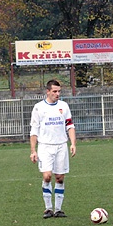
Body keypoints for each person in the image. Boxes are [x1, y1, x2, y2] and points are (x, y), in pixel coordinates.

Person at [30, 79, 76, 218]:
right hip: (45, 146)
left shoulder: (64, 106)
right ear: (48, 91)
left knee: (60, 178)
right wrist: (33, 150)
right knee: (47, 176)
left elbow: (70, 126)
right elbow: (34, 130)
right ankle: (48, 208)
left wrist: (73, 143)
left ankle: (58, 209)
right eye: (55, 91)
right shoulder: (38, 107)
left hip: (61, 146)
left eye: (59, 91)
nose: (57, 94)